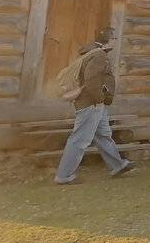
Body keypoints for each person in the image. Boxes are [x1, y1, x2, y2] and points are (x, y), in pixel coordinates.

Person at [53, 26, 136, 185]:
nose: (115, 41)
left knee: (103, 135)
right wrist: (98, 99)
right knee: (79, 140)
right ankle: (63, 176)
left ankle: (117, 166)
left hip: (96, 104)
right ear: (108, 40)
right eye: (113, 38)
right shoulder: (99, 56)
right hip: (91, 104)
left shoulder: (94, 53)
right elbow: (92, 80)